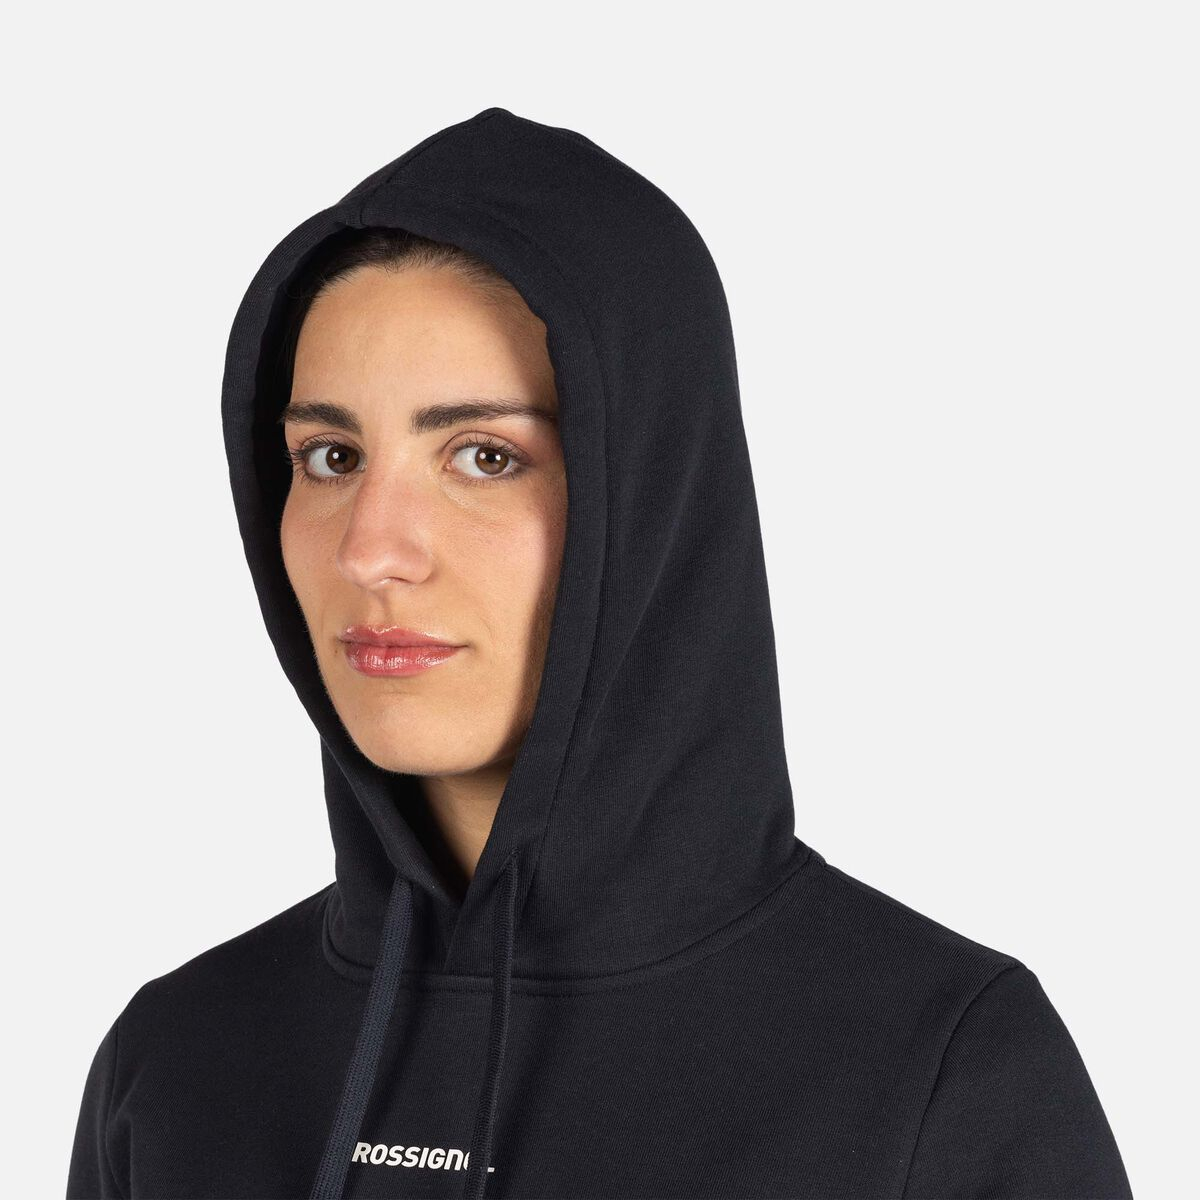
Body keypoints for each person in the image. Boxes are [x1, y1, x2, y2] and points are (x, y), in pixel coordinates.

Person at [66, 106, 1133, 1200]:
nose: (372, 550)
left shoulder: (941, 1071)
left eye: (485, 456)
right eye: (331, 456)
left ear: (654, 494)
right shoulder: (175, 1061)